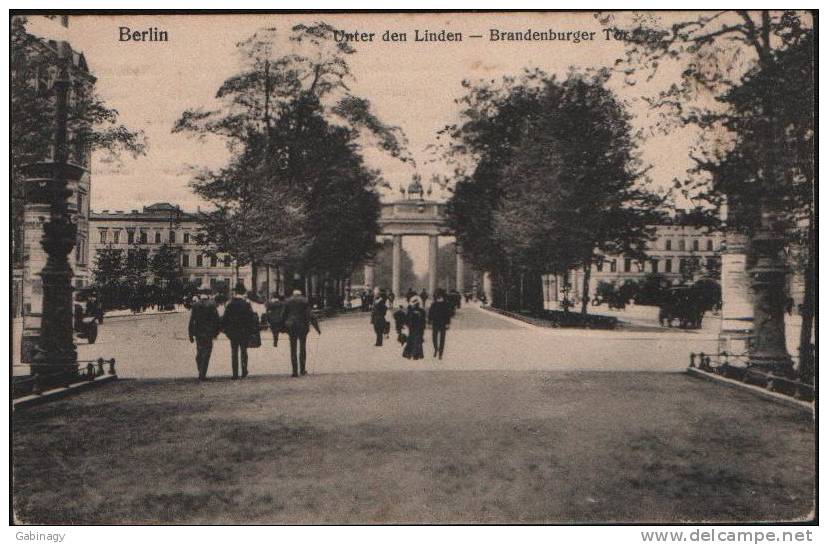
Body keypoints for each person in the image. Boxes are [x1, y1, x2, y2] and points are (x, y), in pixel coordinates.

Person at [281, 288, 321, 377]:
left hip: (291, 326)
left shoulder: (287, 301)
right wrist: (317, 329)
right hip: (302, 326)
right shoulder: (304, 301)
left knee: (293, 348)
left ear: (293, 294)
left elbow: (283, 315)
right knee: (302, 347)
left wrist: (282, 327)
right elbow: (310, 315)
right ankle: (302, 369)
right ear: (300, 294)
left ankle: (294, 371)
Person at [222, 284, 258, 379]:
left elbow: (225, 318)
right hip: (244, 331)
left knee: (234, 352)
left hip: (233, 332)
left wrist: (226, 330)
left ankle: (235, 374)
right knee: (243, 351)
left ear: (236, 292)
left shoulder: (230, 304)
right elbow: (251, 318)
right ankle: (244, 371)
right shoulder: (246, 304)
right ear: (243, 292)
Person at [188, 289, 221, 380]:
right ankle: (202, 373)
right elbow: (217, 320)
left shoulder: (195, 305)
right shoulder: (212, 305)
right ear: (208, 294)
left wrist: (190, 334)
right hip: (209, 333)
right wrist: (216, 333)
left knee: (199, 351)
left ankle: (200, 370)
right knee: (207, 353)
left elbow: (192, 320)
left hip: (198, 333)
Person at [428, 289, 453, 360]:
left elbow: (448, 314)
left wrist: (448, 323)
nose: (438, 297)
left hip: (442, 323)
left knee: (441, 339)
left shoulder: (445, 304)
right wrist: (429, 322)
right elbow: (430, 314)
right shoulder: (434, 304)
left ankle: (440, 353)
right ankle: (436, 348)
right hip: (436, 323)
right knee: (434, 338)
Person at [402, 296, 426, 360]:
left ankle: (414, 354)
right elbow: (407, 320)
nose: (415, 305)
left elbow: (423, 321)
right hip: (414, 328)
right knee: (414, 341)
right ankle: (412, 354)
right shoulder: (415, 311)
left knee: (415, 341)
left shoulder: (418, 311)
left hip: (416, 328)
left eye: (416, 304)